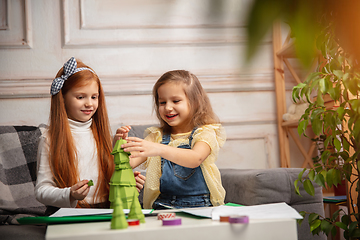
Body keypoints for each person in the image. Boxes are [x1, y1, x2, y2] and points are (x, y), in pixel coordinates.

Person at [35, 57, 145, 210]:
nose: (89, 103)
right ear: (63, 98)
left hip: (105, 210)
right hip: (68, 213)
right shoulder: (49, 139)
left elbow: (108, 180)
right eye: (80, 97)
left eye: (94, 97)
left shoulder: (103, 135)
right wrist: (70, 194)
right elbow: (41, 191)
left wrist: (125, 183)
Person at [115, 70, 226, 209]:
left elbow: (195, 158)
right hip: (162, 204)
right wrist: (119, 146)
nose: (168, 107)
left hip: (199, 205)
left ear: (196, 101)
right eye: (162, 102)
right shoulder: (156, 136)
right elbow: (128, 162)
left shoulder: (204, 132)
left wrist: (158, 148)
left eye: (175, 101)